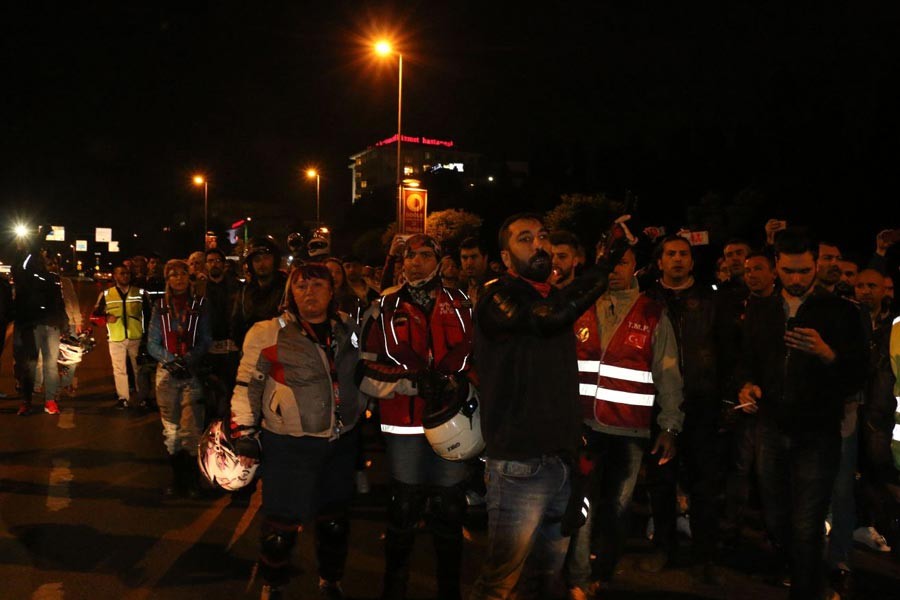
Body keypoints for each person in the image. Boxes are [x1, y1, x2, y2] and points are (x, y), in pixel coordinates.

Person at [467, 214, 620, 600]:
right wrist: (603, 267)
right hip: (519, 464)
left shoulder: (553, 296)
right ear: (504, 257)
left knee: (547, 578)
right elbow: (548, 319)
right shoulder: (496, 297)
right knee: (500, 583)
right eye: (525, 239)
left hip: (564, 459)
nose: (539, 245)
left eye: (543, 237)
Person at [735, 228, 866, 598]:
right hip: (770, 427)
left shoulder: (841, 312)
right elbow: (747, 359)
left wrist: (827, 354)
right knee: (776, 519)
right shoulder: (760, 308)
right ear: (777, 265)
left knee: (807, 524)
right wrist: (746, 384)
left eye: (804, 271)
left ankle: (807, 588)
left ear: (816, 266)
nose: (796, 279)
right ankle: (804, 574)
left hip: (817, 432)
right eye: (789, 271)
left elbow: (858, 374)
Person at [230, 263, 365, 600]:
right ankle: (272, 583)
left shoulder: (348, 328)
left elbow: (367, 369)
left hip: (341, 440)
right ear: (290, 292)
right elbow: (248, 383)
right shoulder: (267, 331)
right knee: (280, 528)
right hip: (288, 443)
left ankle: (331, 581)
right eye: (302, 287)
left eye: (318, 285)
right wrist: (245, 432)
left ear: (332, 291)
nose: (310, 293)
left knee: (334, 522)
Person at [357, 234, 473, 600]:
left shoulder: (462, 304)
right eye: (411, 256)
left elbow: (481, 361)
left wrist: (457, 385)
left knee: (449, 509)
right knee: (403, 508)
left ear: (440, 261)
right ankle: (394, 588)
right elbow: (365, 372)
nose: (417, 262)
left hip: (454, 422)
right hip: (403, 425)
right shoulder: (384, 306)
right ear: (401, 261)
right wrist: (411, 384)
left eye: (426, 255)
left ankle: (449, 590)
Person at [566, 242, 684, 597]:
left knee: (618, 508)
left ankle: (604, 570)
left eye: (623, 263)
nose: (615, 269)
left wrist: (669, 426)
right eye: (609, 262)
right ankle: (578, 577)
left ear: (635, 266)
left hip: (629, 430)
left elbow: (669, 374)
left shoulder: (652, 313)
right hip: (584, 428)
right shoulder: (580, 306)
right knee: (581, 504)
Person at [641, 235, 720, 582]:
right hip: (656, 405)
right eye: (670, 254)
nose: (677, 259)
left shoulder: (711, 300)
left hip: (702, 403)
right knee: (661, 482)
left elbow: (727, 349)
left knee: (704, 484)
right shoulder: (646, 300)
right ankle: (664, 547)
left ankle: (704, 557)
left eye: (683, 254)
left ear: (692, 261)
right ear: (659, 261)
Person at [147, 259, 211, 498]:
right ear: (167, 279)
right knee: (171, 431)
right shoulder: (159, 306)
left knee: (191, 429)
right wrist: (169, 359)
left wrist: (189, 359)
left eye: (183, 273)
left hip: (191, 372)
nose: (179, 278)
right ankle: (177, 479)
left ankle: (193, 480)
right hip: (167, 372)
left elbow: (205, 340)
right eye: (173, 275)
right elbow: (152, 342)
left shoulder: (200, 305)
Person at [12, 238, 68, 416]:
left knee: (51, 365)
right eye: (40, 256)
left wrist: (63, 322)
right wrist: (36, 243)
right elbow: (23, 264)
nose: (44, 259)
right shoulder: (26, 274)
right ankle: (26, 402)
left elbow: (59, 301)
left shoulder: (51, 278)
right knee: (29, 364)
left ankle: (50, 401)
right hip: (31, 324)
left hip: (50, 324)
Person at [91, 263, 152, 409]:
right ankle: (123, 398)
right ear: (115, 275)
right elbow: (94, 318)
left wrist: (148, 336)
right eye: (121, 273)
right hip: (115, 337)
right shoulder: (106, 294)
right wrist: (106, 318)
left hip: (136, 338)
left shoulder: (141, 293)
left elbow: (149, 316)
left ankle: (143, 397)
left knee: (140, 369)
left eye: (127, 273)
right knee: (119, 369)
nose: (125, 276)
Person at [203, 248, 241, 424]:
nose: (214, 264)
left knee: (230, 389)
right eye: (210, 261)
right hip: (208, 347)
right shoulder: (200, 289)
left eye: (217, 260)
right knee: (210, 391)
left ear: (224, 264)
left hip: (231, 347)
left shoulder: (235, 286)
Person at [232, 237, 289, 349]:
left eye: (266, 258)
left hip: (280, 352)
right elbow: (236, 324)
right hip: (251, 352)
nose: (262, 264)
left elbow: (289, 324)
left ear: (275, 260)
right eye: (257, 260)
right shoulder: (244, 292)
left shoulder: (286, 289)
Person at [458, 237, 490, 303]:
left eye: (474, 257)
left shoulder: (497, 286)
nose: (469, 263)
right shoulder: (460, 287)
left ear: (485, 258)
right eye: (464, 258)